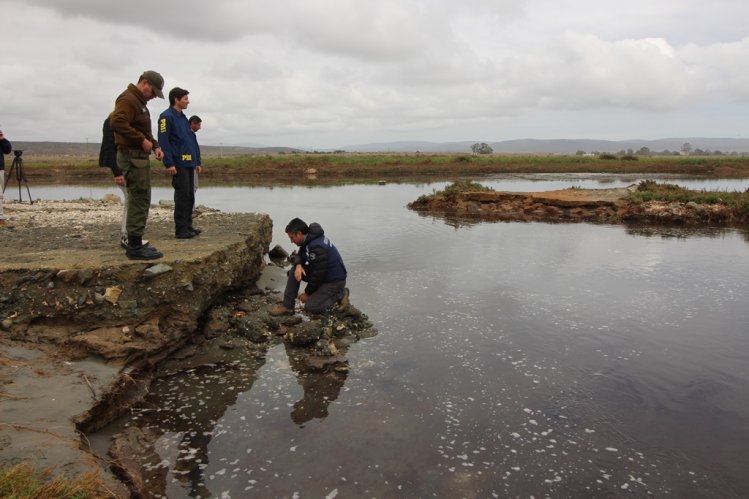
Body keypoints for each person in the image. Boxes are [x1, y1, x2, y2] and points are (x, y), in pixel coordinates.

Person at [110, 70, 165, 260]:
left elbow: (142, 129)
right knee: (138, 197)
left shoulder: (139, 103)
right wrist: (141, 141)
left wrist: (155, 146)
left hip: (138, 157)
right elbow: (116, 122)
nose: (153, 97)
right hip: (131, 156)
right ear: (145, 84)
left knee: (142, 196)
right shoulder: (128, 99)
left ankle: (136, 242)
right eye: (153, 92)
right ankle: (134, 247)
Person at [271, 218, 349, 315]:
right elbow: (300, 254)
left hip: (334, 281)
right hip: (324, 275)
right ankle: (288, 306)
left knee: (311, 307)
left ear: (299, 234)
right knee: (294, 270)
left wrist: (307, 293)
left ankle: (340, 294)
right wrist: (299, 265)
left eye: (291, 237)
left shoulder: (317, 246)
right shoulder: (309, 239)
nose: (291, 241)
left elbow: (318, 275)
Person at [98, 117, 149, 249]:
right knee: (130, 199)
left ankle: (129, 236)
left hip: (127, 166)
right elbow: (109, 148)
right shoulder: (113, 122)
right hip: (121, 167)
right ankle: (127, 237)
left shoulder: (124, 122)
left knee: (130, 198)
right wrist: (117, 172)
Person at [158, 88, 201, 238]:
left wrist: (196, 161)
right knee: (182, 196)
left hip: (189, 163)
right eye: (185, 99)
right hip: (178, 163)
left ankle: (188, 226)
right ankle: (181, 230)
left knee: (190, 195)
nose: (188, 101)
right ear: (176, 99)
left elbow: (190, 141)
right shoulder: (166, 117)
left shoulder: (183, 118)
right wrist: (169, 163)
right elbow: (164, 141)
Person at [188, 115, 203, 232]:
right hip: (189, 165)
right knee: (191, 187)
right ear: (193, 123)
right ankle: (190, 210)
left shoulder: (192, 134)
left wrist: (198, 163)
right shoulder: (187, 134)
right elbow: (189, 150)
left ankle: (191, 208)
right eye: (198, 125)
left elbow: (195, 150)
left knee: (194, 186)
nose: (199, 127)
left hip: (194, 164)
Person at [0, 128, 11, 220]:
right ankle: (0, 214)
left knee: (1, 191)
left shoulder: (1, 140)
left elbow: (7, 150)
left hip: (0, 169)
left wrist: (3, 139)